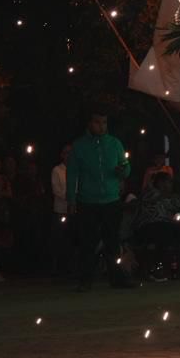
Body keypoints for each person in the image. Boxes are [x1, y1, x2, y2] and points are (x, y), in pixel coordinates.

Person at [67, 109, 132, 290]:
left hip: (111, 199)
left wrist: (123, 170)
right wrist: (71, 199)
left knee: (112, 241)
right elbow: (72, 174)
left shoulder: (114, 143)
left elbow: (125, 169)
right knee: (88, 241)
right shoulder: (79, 146)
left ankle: (117, 278)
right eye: (97, 122)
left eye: (104, 122)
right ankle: (85, 280)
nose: (101, 126)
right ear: (90, 123)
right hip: (87, 201)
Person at [50, 144, 72, 277]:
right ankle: (58, 270)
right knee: (60, 240)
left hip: (73, 210)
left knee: (70, 241)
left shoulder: (77, 170)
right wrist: (71, 198)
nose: (69, 155)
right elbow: (57, 190)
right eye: (66, 153)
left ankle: (70, 268)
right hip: (61, 210)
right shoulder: (57, 170)